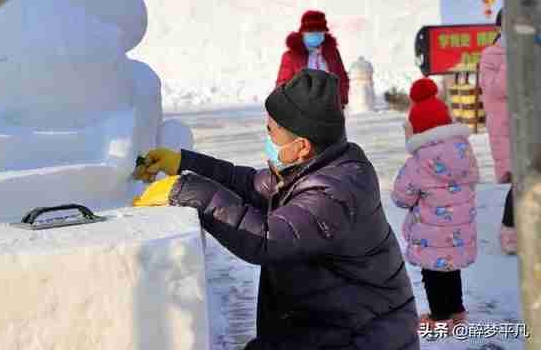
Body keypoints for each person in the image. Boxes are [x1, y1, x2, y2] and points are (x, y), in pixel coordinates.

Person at [133, 69, 419, 350]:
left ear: (302, 145)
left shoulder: (336, 192)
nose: (267, 138)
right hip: (320, 326)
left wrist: (188, 191)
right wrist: (183, 163)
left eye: (271, 131)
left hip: (361, 336)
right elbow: (248, 185)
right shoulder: (313, 167)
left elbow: (266, 240)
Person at [392, 78, 479, 331]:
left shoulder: (418, 162)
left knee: (433, 274)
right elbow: (474, 179)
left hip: (430, 234)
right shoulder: (465, 152)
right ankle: (457, 310)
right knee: (451, 269)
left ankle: (440, 317)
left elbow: (401, 197)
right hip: (460, 230)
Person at [479, 8, 516, 255]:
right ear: (499, 28)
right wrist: (512, 59)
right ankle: (509, 231)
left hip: (531, 125)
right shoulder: (491, 56)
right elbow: (496, 90)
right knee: (522, 183)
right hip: (508, 131)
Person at [276, 10, 350, 109]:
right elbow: (282, 84)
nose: (315, 34)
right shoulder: (291, 56)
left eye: (319, 31)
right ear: (303, 32)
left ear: (324, 32)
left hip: (330, 109)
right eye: (311, 31)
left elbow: (342, 78)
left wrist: (341, 100)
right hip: (302, 111)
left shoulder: (332, 53)